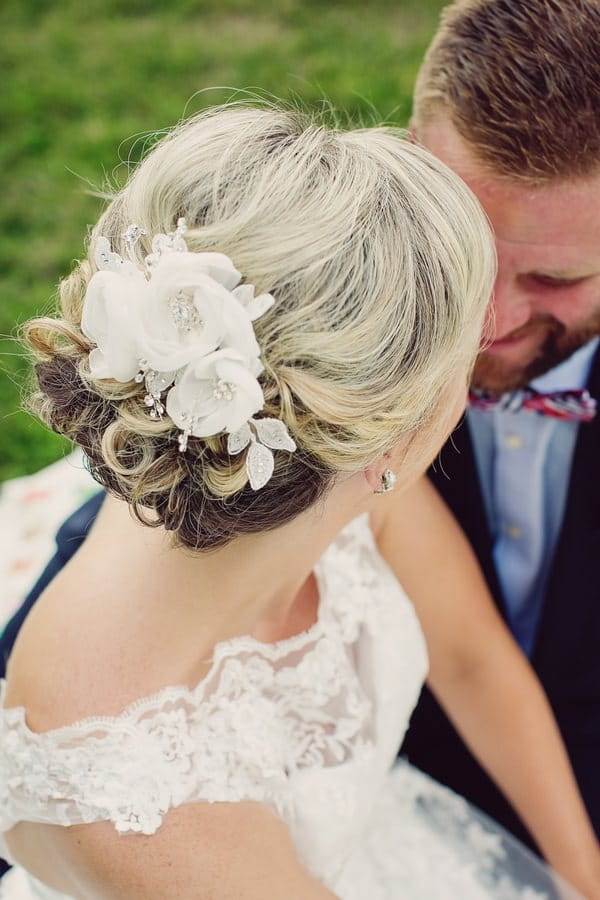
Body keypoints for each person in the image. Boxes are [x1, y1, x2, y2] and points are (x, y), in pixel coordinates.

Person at [1, 103, 599, 899]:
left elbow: (471, 657)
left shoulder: (332, 459)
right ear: (401, 431)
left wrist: (585, 875)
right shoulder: (125, 782)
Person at [400, 0, 600, 852]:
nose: (486, 320)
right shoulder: (316, 295)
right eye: (465, 248)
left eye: (553, 277)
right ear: (414, 156)